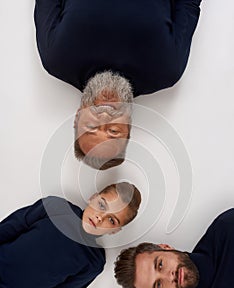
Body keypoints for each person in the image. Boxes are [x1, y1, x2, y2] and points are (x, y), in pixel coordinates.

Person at [34, 0, 202, 169]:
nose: (105, 116)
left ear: (78, 117)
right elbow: (188, 4)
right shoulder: (167, 69)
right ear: (128, 125)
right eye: (113, 131)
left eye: (92, 127)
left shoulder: (56, 58)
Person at [0, 182, 141, 288]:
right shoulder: (56, 208)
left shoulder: (93, 262)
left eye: (112, 220)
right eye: (102, 205)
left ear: (114, 231)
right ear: (93, 197)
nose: (100, 217)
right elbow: (9, 227)